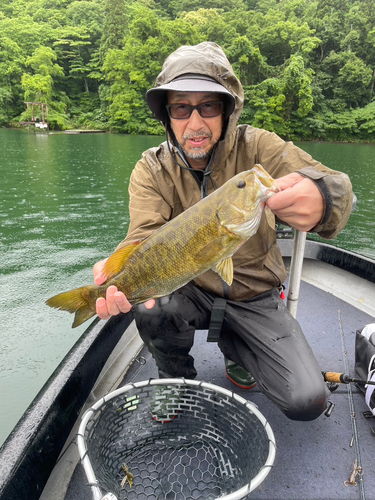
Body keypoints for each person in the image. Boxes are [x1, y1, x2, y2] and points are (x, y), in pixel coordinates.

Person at [93, 42, 353, 421]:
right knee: (151, 307)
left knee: (307, 401)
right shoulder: (152, 168)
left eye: (209, 106)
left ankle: (239, 349)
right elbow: (142, 235)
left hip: (255, 297)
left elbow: (335, 184)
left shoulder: (259, 147)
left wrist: (324, 198)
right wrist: (115, 276)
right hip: (190, 292)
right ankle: (174, 377)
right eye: (181, 107)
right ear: (167, 115)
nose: (195, 123)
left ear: (227, 111)